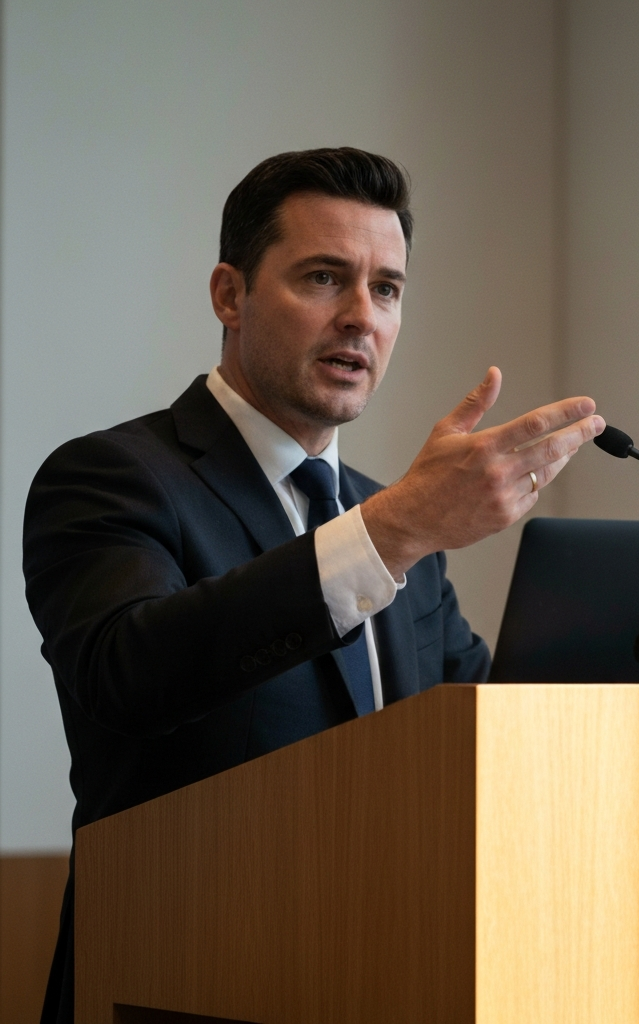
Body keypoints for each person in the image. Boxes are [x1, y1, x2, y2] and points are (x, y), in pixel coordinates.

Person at [25, 147, 604, 1023]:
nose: (360, 319)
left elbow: (474, 732)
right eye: (324, 278)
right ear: (230, 294)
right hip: (176, 984)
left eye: (387, 289)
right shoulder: (114, 477)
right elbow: (128, 674)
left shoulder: (395, 519)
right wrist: (397, 530)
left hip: (389, 975)